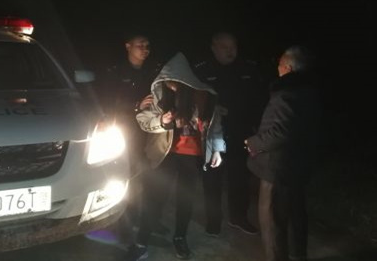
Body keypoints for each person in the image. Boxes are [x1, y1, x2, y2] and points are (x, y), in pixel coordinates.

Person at [123, 52, 226, 261]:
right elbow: (143, 120)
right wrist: (162, 121)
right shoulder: (159, 94)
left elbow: (214, 124)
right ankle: (142, 242)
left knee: (185, 200)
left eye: (173, 80)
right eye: (166, 79)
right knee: (154, 198)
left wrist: (217, 148)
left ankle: (180, 237)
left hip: (192, 156)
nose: (168, 84)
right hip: (164, 154)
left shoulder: (202, 95)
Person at [245, 45, 322, 261]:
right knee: (296, 213)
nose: (277, 67)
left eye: (279, 63)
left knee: (272, 220)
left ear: (287, 67)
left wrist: (254, 143)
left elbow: (280, 132)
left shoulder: (286, 93)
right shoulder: (310, 91)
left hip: (278, 168)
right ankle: (299, 254)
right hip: (299, 164)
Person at [193, 31, 266, 236]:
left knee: (240, 177)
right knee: (212, 179)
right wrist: (210, 110)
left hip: (240, 131)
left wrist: (257, 128)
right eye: (224, 47)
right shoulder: (202, 70)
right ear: (213, 47)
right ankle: (213, 220)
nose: (230, 51)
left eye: (233, 47)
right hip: (212, 134)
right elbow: (194, 99)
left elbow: (258, 99)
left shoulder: (247, 68)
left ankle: (238, 217)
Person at [98, 33, 163, 238]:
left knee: (150, 177)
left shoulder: (153, 70)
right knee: (127, 177)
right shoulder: (115, 71)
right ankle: (124, 224)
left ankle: (148, 221)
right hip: (125, 132)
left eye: (147, 45)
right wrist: (136, 105)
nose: (145, 49)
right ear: (128, 46)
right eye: (140, 45)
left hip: (150, 131)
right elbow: (107, 101)